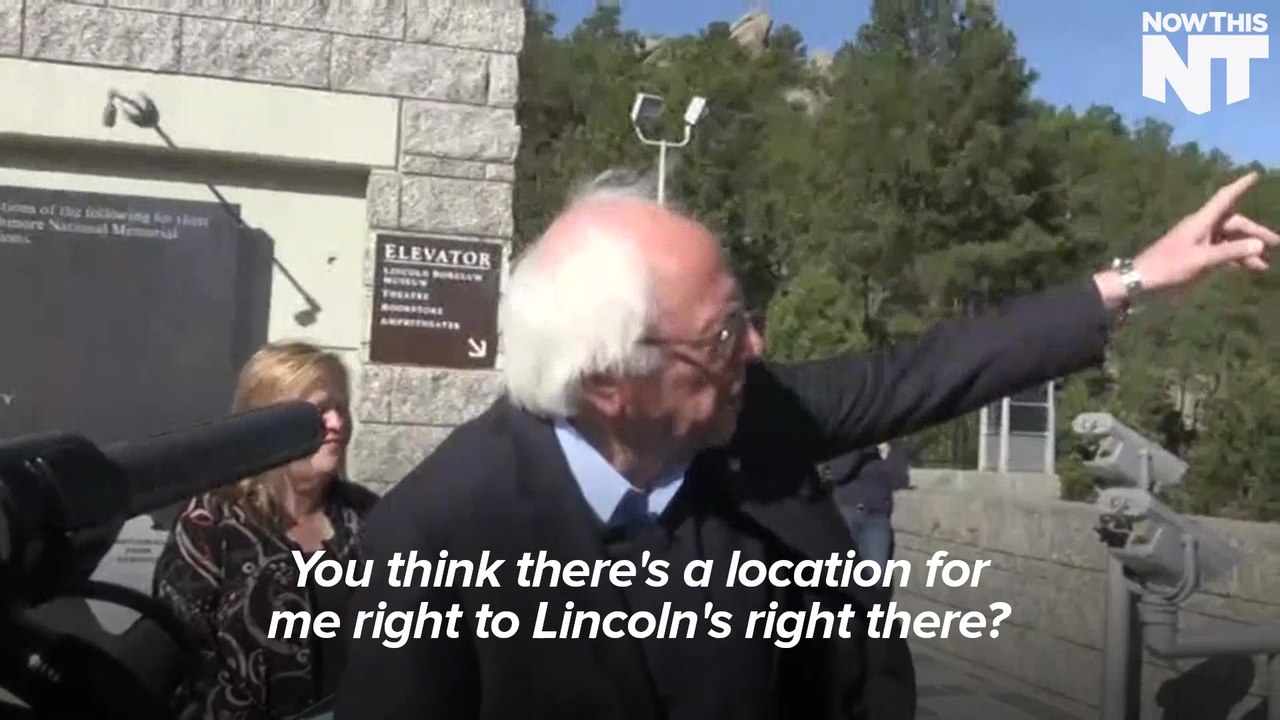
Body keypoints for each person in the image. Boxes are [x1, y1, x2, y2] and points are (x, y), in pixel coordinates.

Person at [336, 172, 1275, 720]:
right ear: (611, 381)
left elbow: (925, 371)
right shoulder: (427, 549)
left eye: (744, 315)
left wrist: (1135, 280)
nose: (755, 348)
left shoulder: (752, 417)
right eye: (722, 334)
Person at [154, 341, 378, 720]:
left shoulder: (367, 514)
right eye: (318, 411)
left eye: (341, 408)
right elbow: (178, 661)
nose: (337, 424)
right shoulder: (211, 523)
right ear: (266, 424)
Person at [826, 440, 910, 571]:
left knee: (876, 577)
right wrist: (864, 450)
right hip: (845, 514)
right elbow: (836, 472)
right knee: (840, 575)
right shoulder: (847, 438)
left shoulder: (892, 444)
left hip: (876, 518)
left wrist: (887, 454)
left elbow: (901, 481)